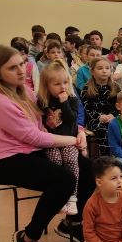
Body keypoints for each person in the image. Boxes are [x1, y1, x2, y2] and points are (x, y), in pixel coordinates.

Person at [0, 45, 93, 242]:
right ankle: (28, 238)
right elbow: (34, 136)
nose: (22, 70)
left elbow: (53, 122)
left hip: (30, 149)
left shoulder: (25, 90)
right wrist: (73, 141)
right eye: (13, 67)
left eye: (22, 63)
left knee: (90, 169)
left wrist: (79, 132)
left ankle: (72, 223)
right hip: (2, 160)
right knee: (64, 180)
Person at [37, 60, 82, 215]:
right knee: (55, 161)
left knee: (70, 160)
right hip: (51, 142)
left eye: (65, 82)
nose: (62, 87)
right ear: (47, 86)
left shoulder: (72, 99)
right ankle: (59, 197)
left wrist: (64, 103)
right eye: (57, 84)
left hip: (69, 141)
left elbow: (71, 119)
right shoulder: (43, 101)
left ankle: (72, 197)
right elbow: (39, 120)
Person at [80, 58, 119, 157]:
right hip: (94, 120)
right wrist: (99, 117)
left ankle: (119, 154)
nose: (104, 71)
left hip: (112, 118)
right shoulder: (86, 88)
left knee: (117, 126)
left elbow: (119, 105)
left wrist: (113, 115)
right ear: (92, 71)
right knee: (104, 129)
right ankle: (106, 157)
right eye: (100, 68)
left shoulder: (115, 87)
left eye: (107, 68)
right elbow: (87, 108)